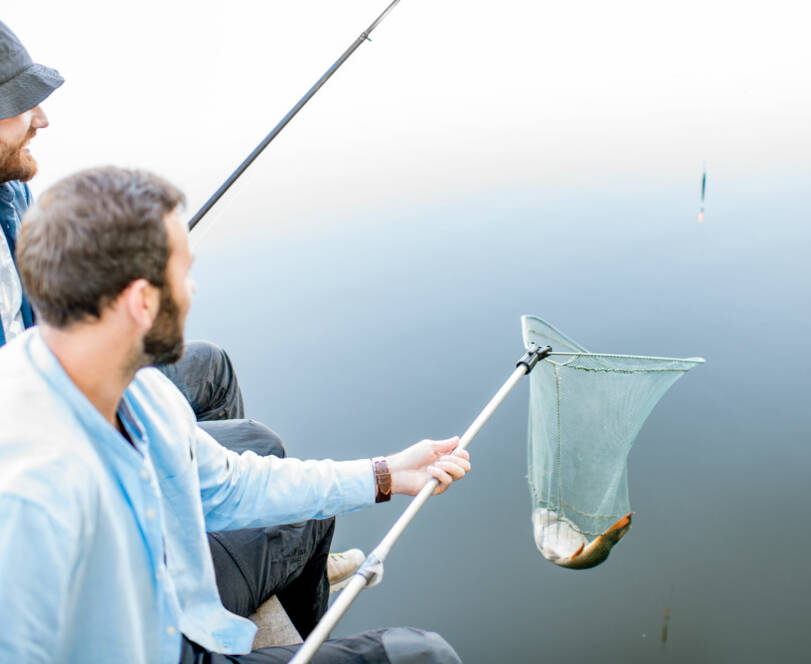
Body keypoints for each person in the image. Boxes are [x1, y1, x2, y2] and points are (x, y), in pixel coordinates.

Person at [0, 165, 470, 663]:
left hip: (183, 621)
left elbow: (227, 486)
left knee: (307, 516)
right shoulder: (33, 494)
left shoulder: (137, 387)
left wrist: (386, 474)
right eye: (184, 273)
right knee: (423, 656)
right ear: (141, 301)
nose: (192, 291)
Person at [0, 19, 365, 620]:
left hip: (51, 396)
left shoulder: (8, 185)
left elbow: (44, 305)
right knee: (283, 490)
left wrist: (102, 306)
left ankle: (261, 548)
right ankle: (267, 560)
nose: (41, 118)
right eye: (18, 104)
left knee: (212, 372)